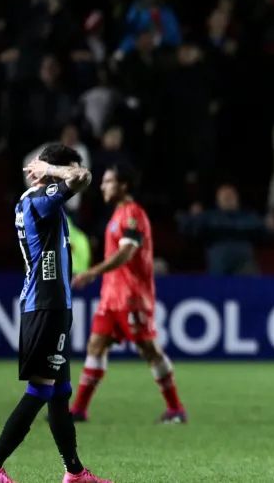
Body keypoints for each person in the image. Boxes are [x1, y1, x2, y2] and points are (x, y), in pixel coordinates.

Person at [0, 145, 110, 483]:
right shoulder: (40, 198)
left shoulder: (34, 201)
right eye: (66, 167)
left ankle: (75, 473)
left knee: (60, 392)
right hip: (47, 305)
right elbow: (82, 177)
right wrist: (55, 170)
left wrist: (52, 171)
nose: (72, 174)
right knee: (40, 390)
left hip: (51, 305)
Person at [69, 164, 187, 424]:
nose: (102, 186)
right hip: (111, 297)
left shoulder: (133, 215)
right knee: (96, 345)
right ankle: (78, 410)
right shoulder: (117, 214)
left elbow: (126, 253)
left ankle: (176, 409)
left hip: (132, 296)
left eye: (108, 181)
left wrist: (92, 273)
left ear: (123, 185)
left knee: (149, 349)